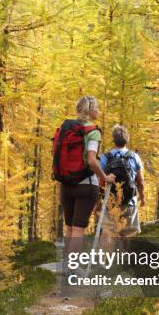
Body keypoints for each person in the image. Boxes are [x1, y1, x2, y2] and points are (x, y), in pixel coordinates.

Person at [57, 96, 115, 245]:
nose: (98, 111)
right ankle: (72, 267)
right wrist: (104, 177)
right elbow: (91, 160)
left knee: (69, 228)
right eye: (97, 108)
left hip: (66, 183)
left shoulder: (67, 128)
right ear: (90, 111)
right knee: (78, 230)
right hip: (86, 184)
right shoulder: (93, 131)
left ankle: (67, 266)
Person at [99, 124, 145, 237]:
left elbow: (100, 182)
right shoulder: (134, 157)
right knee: (126, 237)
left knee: (108, 236)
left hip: (109, 203)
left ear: (113, 140)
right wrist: (142, 198)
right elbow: (140, 181)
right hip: (129, 202)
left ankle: (109, 255)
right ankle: (124, 255)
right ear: (127, 139)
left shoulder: (105, 157)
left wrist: (97, 204)